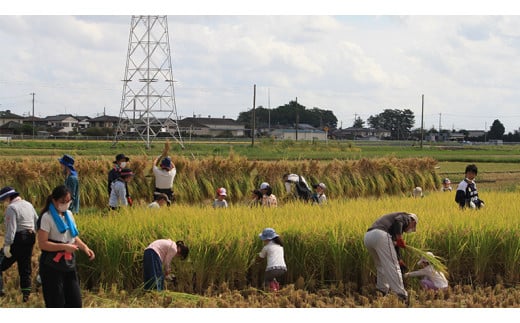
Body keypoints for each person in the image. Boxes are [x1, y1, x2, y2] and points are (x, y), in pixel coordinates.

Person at [36, 185, 95, 307]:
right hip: (52, 264)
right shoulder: (47, 217)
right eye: (62, 202)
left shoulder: (68, 214)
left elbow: (73, 236)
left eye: (68, 201)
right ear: (54, 200)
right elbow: (43, 244)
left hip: (69, 263)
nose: (66, 204)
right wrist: (64, 247)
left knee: (75, 301)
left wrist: (85, 247)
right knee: (56, 302)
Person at [363, 212, 418, 302]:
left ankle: (381, 290)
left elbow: (394, 246)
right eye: (412, 227)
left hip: (368, 237)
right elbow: (399, 221)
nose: (410, 229)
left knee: (381, 265)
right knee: (393, 266)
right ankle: (401, 294)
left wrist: (399, 259)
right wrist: (400, 238)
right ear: (413, 222)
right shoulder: (406, 217)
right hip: (381, 235)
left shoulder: (392, 227)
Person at [0, 186, 38, 302]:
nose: (4, 202)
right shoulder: (28, 204)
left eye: (4, 199)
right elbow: (37, 221)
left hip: (18, 239)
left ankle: (0, 291)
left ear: (8, 197)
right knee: (25, 266)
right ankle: (26, 295)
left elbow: (11, 228)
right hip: (31, 238)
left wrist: (7, 245)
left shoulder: (12, 208)